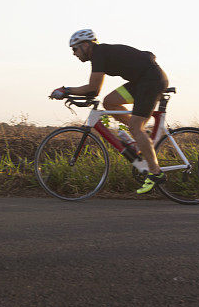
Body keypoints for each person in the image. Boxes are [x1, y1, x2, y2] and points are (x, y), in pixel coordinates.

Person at [49, 29, 169, 194]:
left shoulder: (99, 55)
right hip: (141, 80)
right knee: (110, 102)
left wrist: (66, 90)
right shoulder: (100, 53)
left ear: (85, 45)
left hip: (150, 81)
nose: (74, 53)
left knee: (135, 126)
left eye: (74, 49)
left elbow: (93, 89)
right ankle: (142, 136)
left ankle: (156, 172)